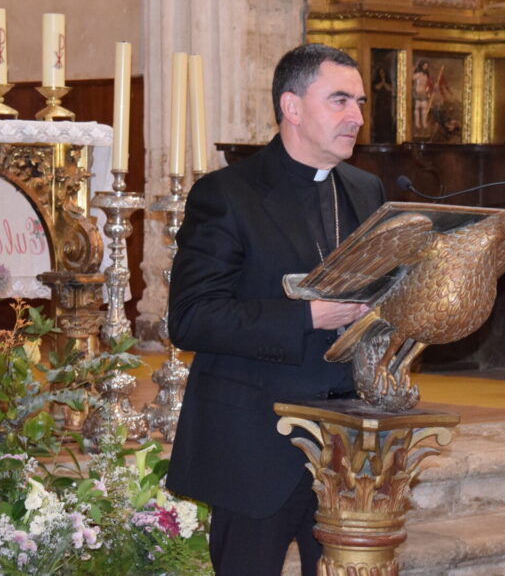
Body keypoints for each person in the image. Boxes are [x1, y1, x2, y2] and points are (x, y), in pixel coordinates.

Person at [165, 43, 386, 576]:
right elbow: (191, 317)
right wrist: (309, 317)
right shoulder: (227, 194)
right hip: (255, 448)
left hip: (348, 450)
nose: (356, 117)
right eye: (339, 101)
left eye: (359, 102)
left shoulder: (367, 191)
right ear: (292, 106)